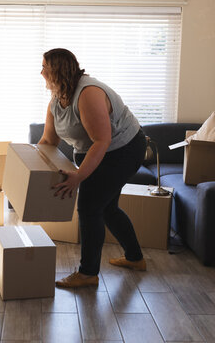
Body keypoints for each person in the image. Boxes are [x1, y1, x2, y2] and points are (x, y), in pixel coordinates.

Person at [39, 48, 148, 288]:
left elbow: (102, 140)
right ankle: (135, 258)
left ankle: (88, 273)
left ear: (57, 71)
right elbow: (48, 141)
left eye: (45, 68)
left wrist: (78, 176)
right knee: (107, 209)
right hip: (96, 152)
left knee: (89, 208)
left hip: (123, 150)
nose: (41, 73)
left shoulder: (88, 93)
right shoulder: (56, 100)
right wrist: (28, 163)